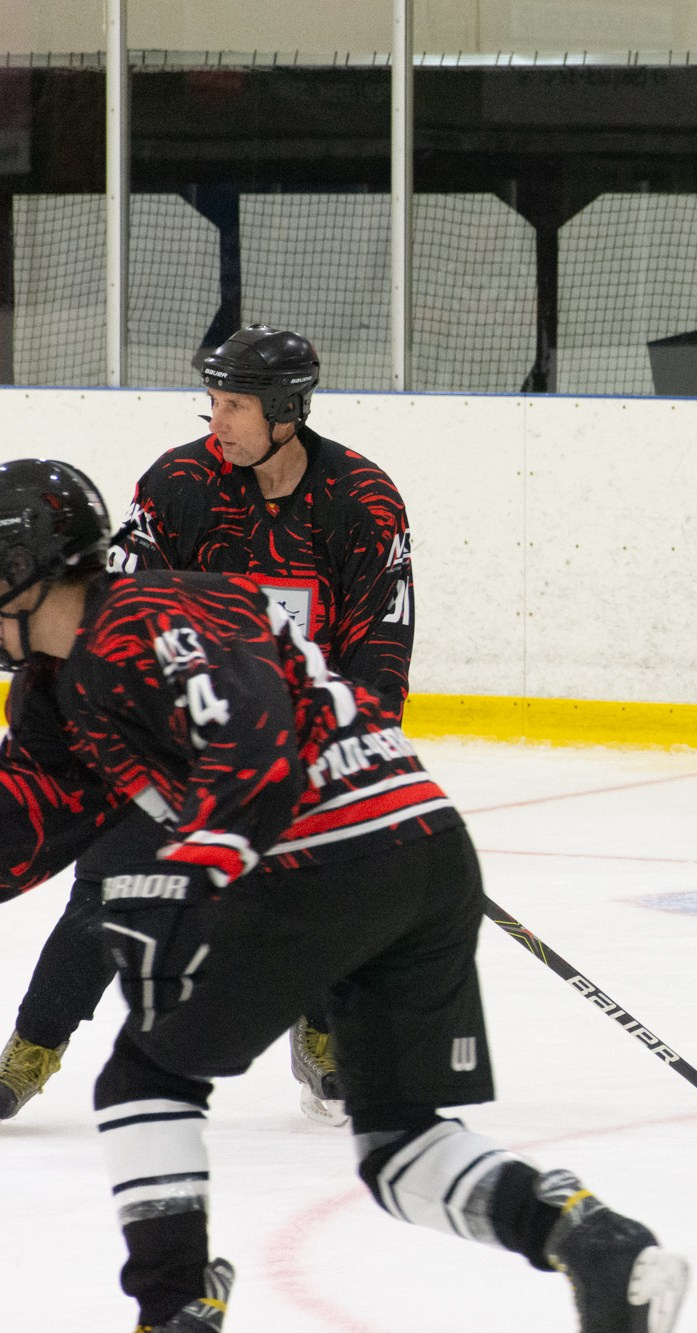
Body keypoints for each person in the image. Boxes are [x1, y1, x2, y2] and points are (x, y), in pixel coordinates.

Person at [0, 457, 687, 1331]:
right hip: (426, 849)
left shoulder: (147, 618)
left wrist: (198, 873)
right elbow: (29, 820)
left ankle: (171, 1309)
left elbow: (251, 740)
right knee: (400, 1148)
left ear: (28, 567)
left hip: (326, 861)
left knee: (145, 1082)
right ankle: (594, 1242)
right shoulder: (58, 688)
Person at [0, 324, 413, 1125]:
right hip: (171, 728)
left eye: (234, 405)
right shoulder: (181, 483)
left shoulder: (360, 500)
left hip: (299, 733)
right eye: (213, 401)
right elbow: (112, 613)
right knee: (112, 880)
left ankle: (320, 1028)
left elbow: (382, 641)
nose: (215, 420)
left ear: (286, 412)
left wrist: (353, 750)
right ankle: (33, 1045)